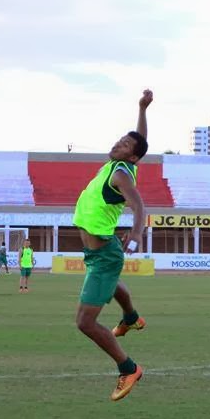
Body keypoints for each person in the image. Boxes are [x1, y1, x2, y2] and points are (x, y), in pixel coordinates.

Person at [72, 89, 152, 401]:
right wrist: (142, 109)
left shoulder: (120, 173)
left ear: (130, 157)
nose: (117, 145)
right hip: (97, 253)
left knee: (85, 322)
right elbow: (139, 141)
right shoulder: (125, 163)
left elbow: (138, 204)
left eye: (123, 146)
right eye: (119, 141)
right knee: (113, 284)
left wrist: (136, 232)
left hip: (104, 255)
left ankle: (128, 367)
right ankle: (131, 318)